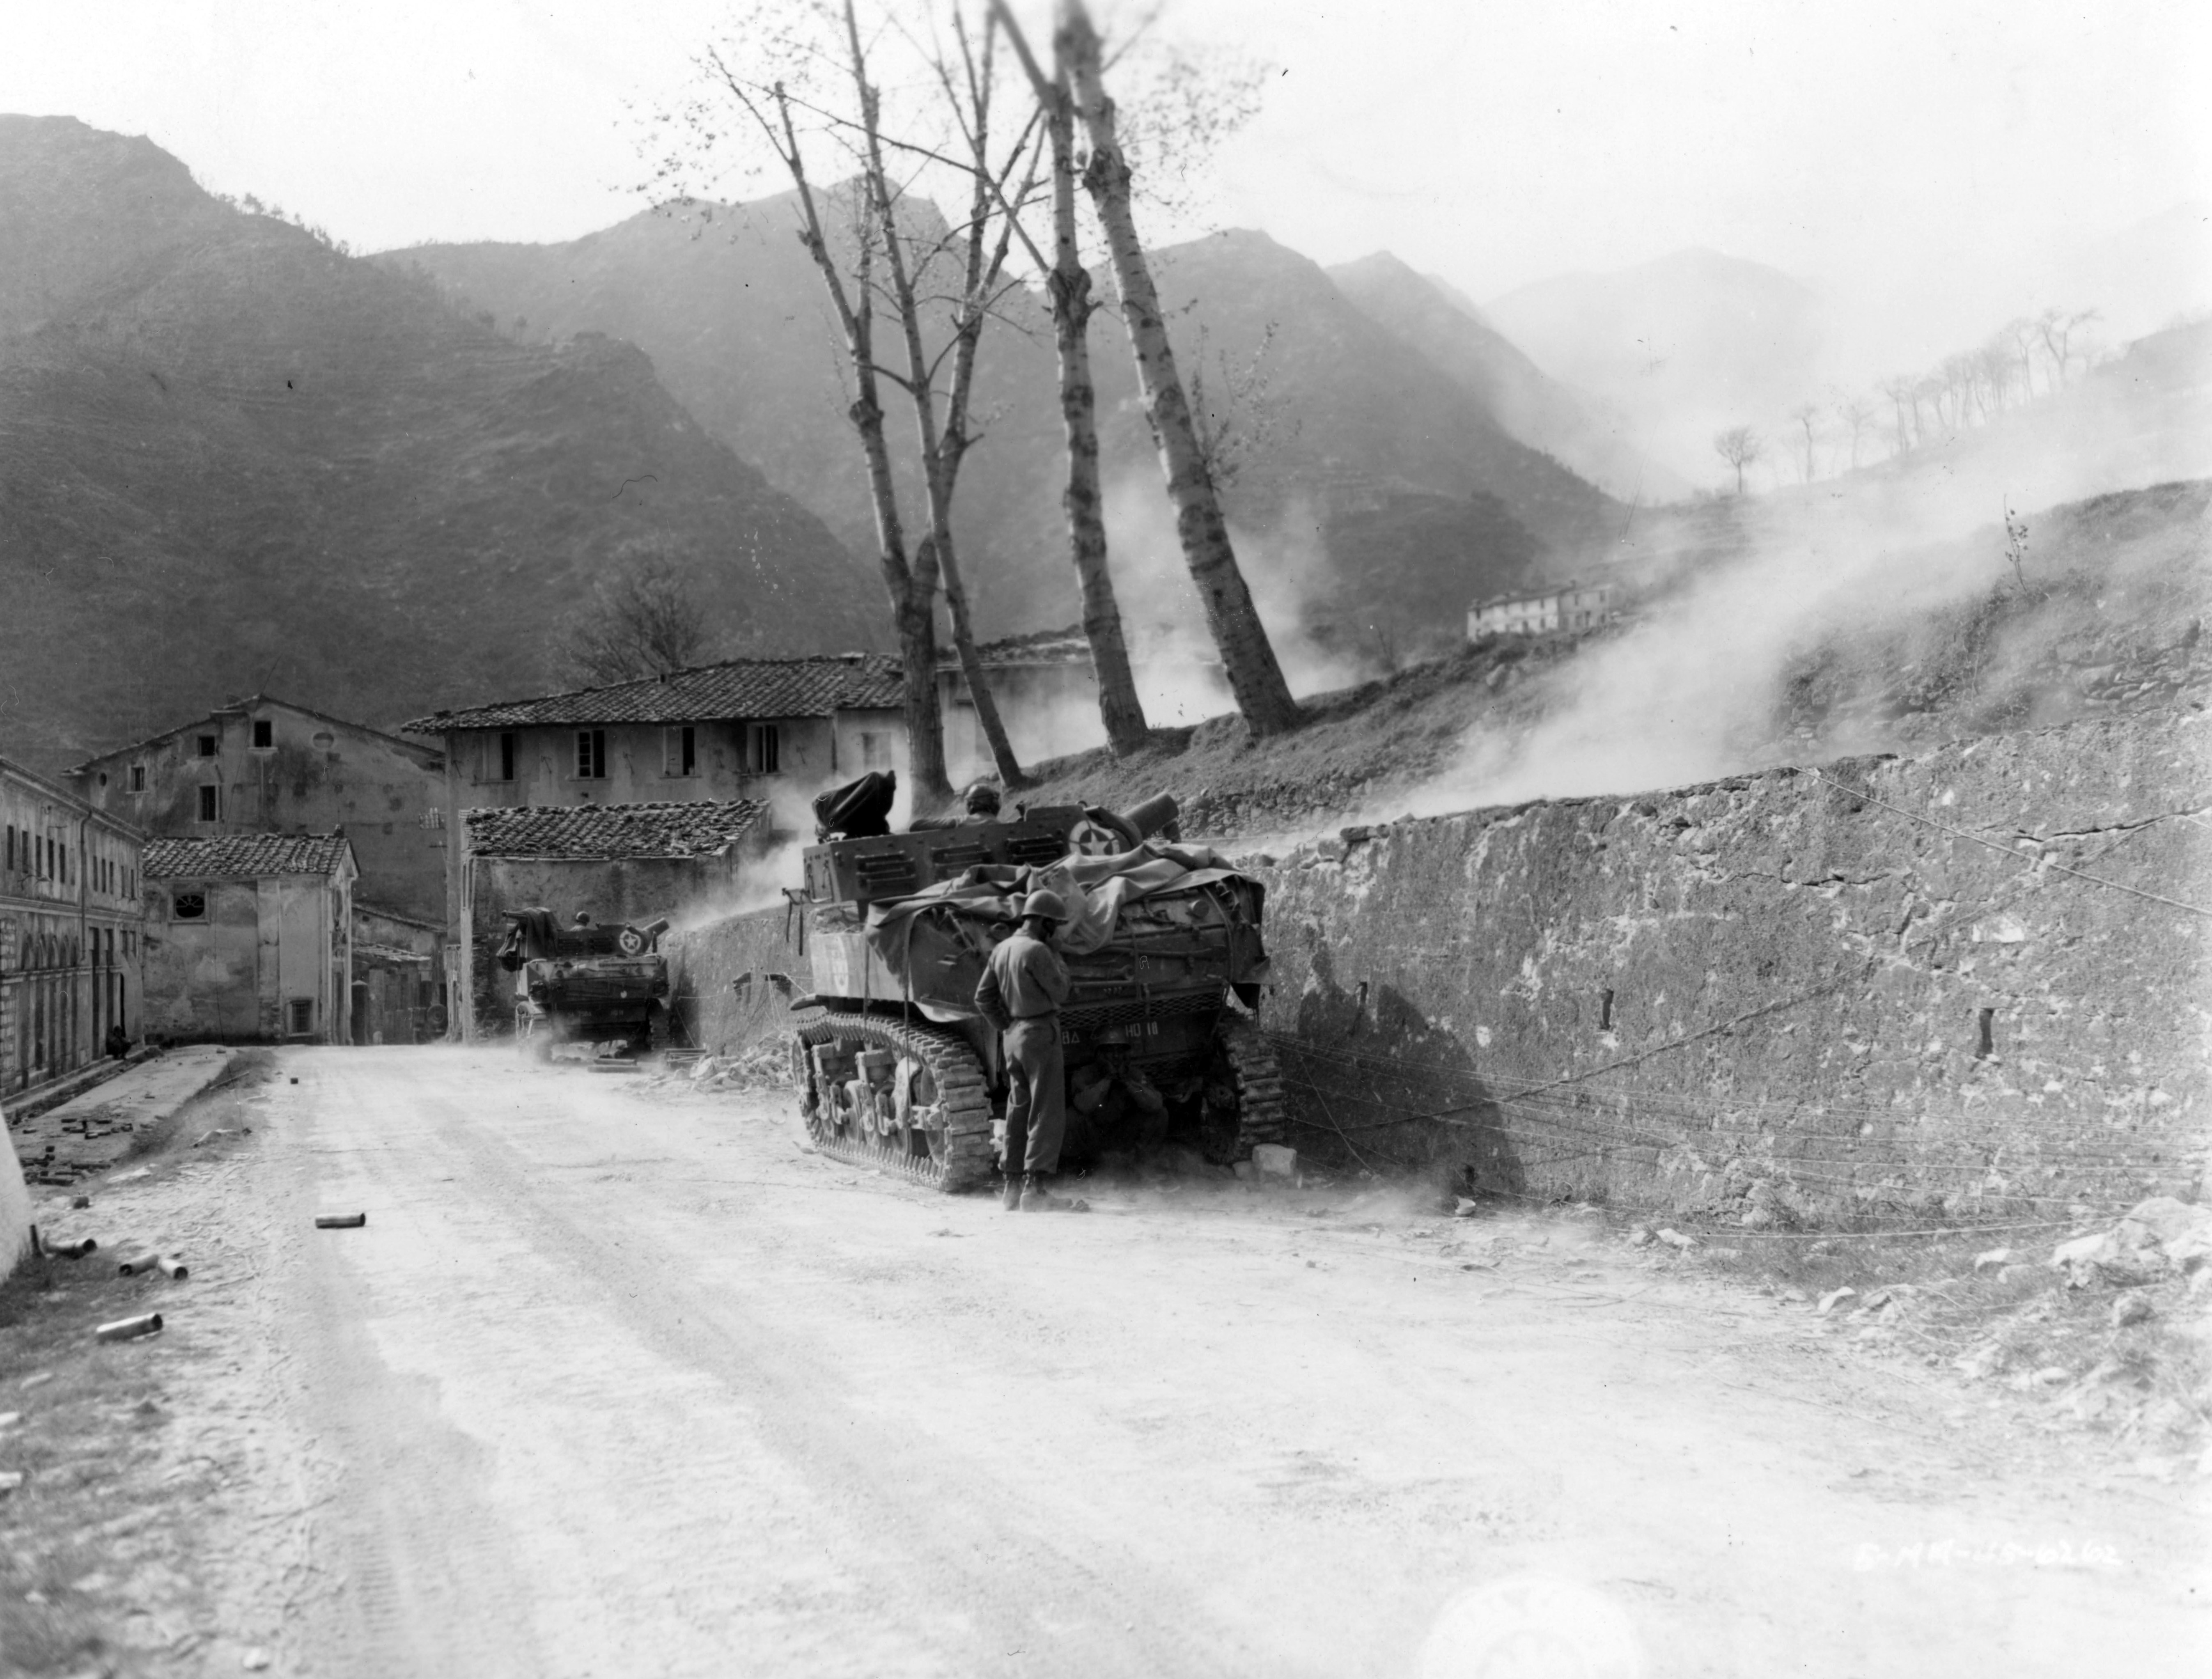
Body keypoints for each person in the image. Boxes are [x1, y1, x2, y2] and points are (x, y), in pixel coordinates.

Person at [974, 888, 1073, 1210]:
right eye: (1054, 925)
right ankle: (1037, 1189)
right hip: (1040, 1033)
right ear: (1044, 922)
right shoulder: (1038, 951)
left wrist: (1006, 1026)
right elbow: (1060, 992)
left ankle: (1012, 1187)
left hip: (1013, 1036)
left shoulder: (1002, 949)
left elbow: (983, 998)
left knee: (1018, 1109)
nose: (1056, 931)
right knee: (1046, 1109)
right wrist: (1058, 955)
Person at [910, 780, 1003, 832]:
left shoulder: (960, 821)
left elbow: (916, 826)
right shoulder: (1002, 827)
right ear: (994, 803)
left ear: (970, 804)